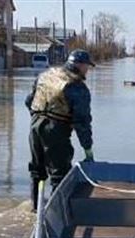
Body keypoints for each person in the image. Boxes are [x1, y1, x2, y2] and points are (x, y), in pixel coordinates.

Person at [25, 49, 95, 211]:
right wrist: (88, 149)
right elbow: (82, 121)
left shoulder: (46, 75)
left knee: (37, 170)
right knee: (59, 174)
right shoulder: (76, 86)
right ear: (79, 65)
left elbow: (29, 101)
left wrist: (39, 119)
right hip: (56, 129)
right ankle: (54, 213)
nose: (87, 70)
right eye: (87, 66)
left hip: (35, 126)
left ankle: (36, 208)